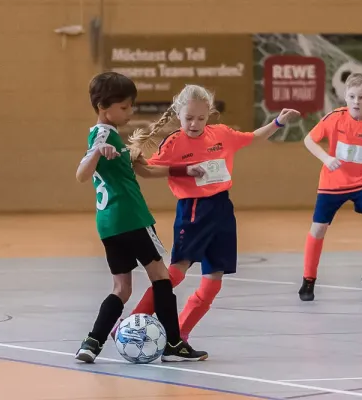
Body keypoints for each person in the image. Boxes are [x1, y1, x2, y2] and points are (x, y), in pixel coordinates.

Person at [109, 84, 300, 343]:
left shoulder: (221, 134)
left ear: (209, 114)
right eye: (189, 118)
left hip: (222, 210)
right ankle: (130, 323)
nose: (194, 123)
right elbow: (148, 170)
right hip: (193, 210)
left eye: (201, 118)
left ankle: (180, 335)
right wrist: (133, 158)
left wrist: (278, 122)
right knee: (175, 273)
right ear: (178, 114)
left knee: (213, 281)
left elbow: (252, 138)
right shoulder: (174, 142)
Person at [74, 72, 208, 363]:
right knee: (161, 277)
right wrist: (96, 151)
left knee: (121, 289)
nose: (130, 112)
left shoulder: (113, 139)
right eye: (124, 107)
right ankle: (173, 344)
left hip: (109, 224)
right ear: (102, 107)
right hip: (131, 218)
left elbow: (146, 170)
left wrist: (184, 170)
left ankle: (92, 343)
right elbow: (82, 174)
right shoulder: (103, 135)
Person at [297, 72, 362, 301]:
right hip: (332, 183)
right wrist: (326, 158)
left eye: (361, 97)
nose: (356, 101)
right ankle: (308, 279)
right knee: (318, 229)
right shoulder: (334, 118)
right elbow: (309, 140)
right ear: (345, 96)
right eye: (352, 96)